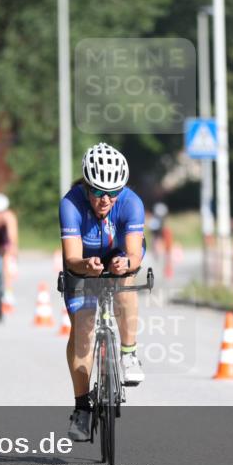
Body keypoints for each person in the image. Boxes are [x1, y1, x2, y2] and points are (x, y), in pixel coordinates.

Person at [59, 142, 146, 442]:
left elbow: (135, 254)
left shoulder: (131, 203)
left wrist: (127, 263)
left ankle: (129, 354)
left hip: (119, 256)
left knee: (125, 281)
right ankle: (82, 410)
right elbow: (71, 259)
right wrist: (86, 264)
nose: (105, 199)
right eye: (97, 192)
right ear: (86, 186)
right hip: (83, 262)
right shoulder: (70, 205)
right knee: (83, 329)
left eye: (113, 192)